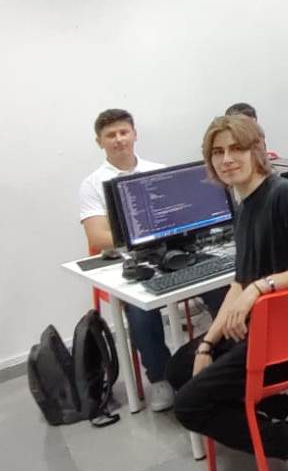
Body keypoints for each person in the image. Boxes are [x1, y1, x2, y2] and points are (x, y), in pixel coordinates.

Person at [166, 114, 288, 471]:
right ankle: (281, 406)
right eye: (218, 151)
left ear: (257, 151)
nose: (226, 159)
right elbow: (240, 282)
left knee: (188, 405)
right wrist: (208, 343)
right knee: (181, 367)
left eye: (236, 148)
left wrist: (261, 288)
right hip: (270, 332)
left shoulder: (285, 195)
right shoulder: (245, 205)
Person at [78, 107, 221, 412]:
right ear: (99, 142)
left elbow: (180, 216)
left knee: (219, 284)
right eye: (111, 135)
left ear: (135, 134)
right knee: (140, 309)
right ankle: (160, 378)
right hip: (132, 263)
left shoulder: (159, 170)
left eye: (124, 132)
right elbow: (97, 237)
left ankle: (224, 356)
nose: (119, 139)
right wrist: (142, 234)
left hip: (174, 252)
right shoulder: (92, 184)